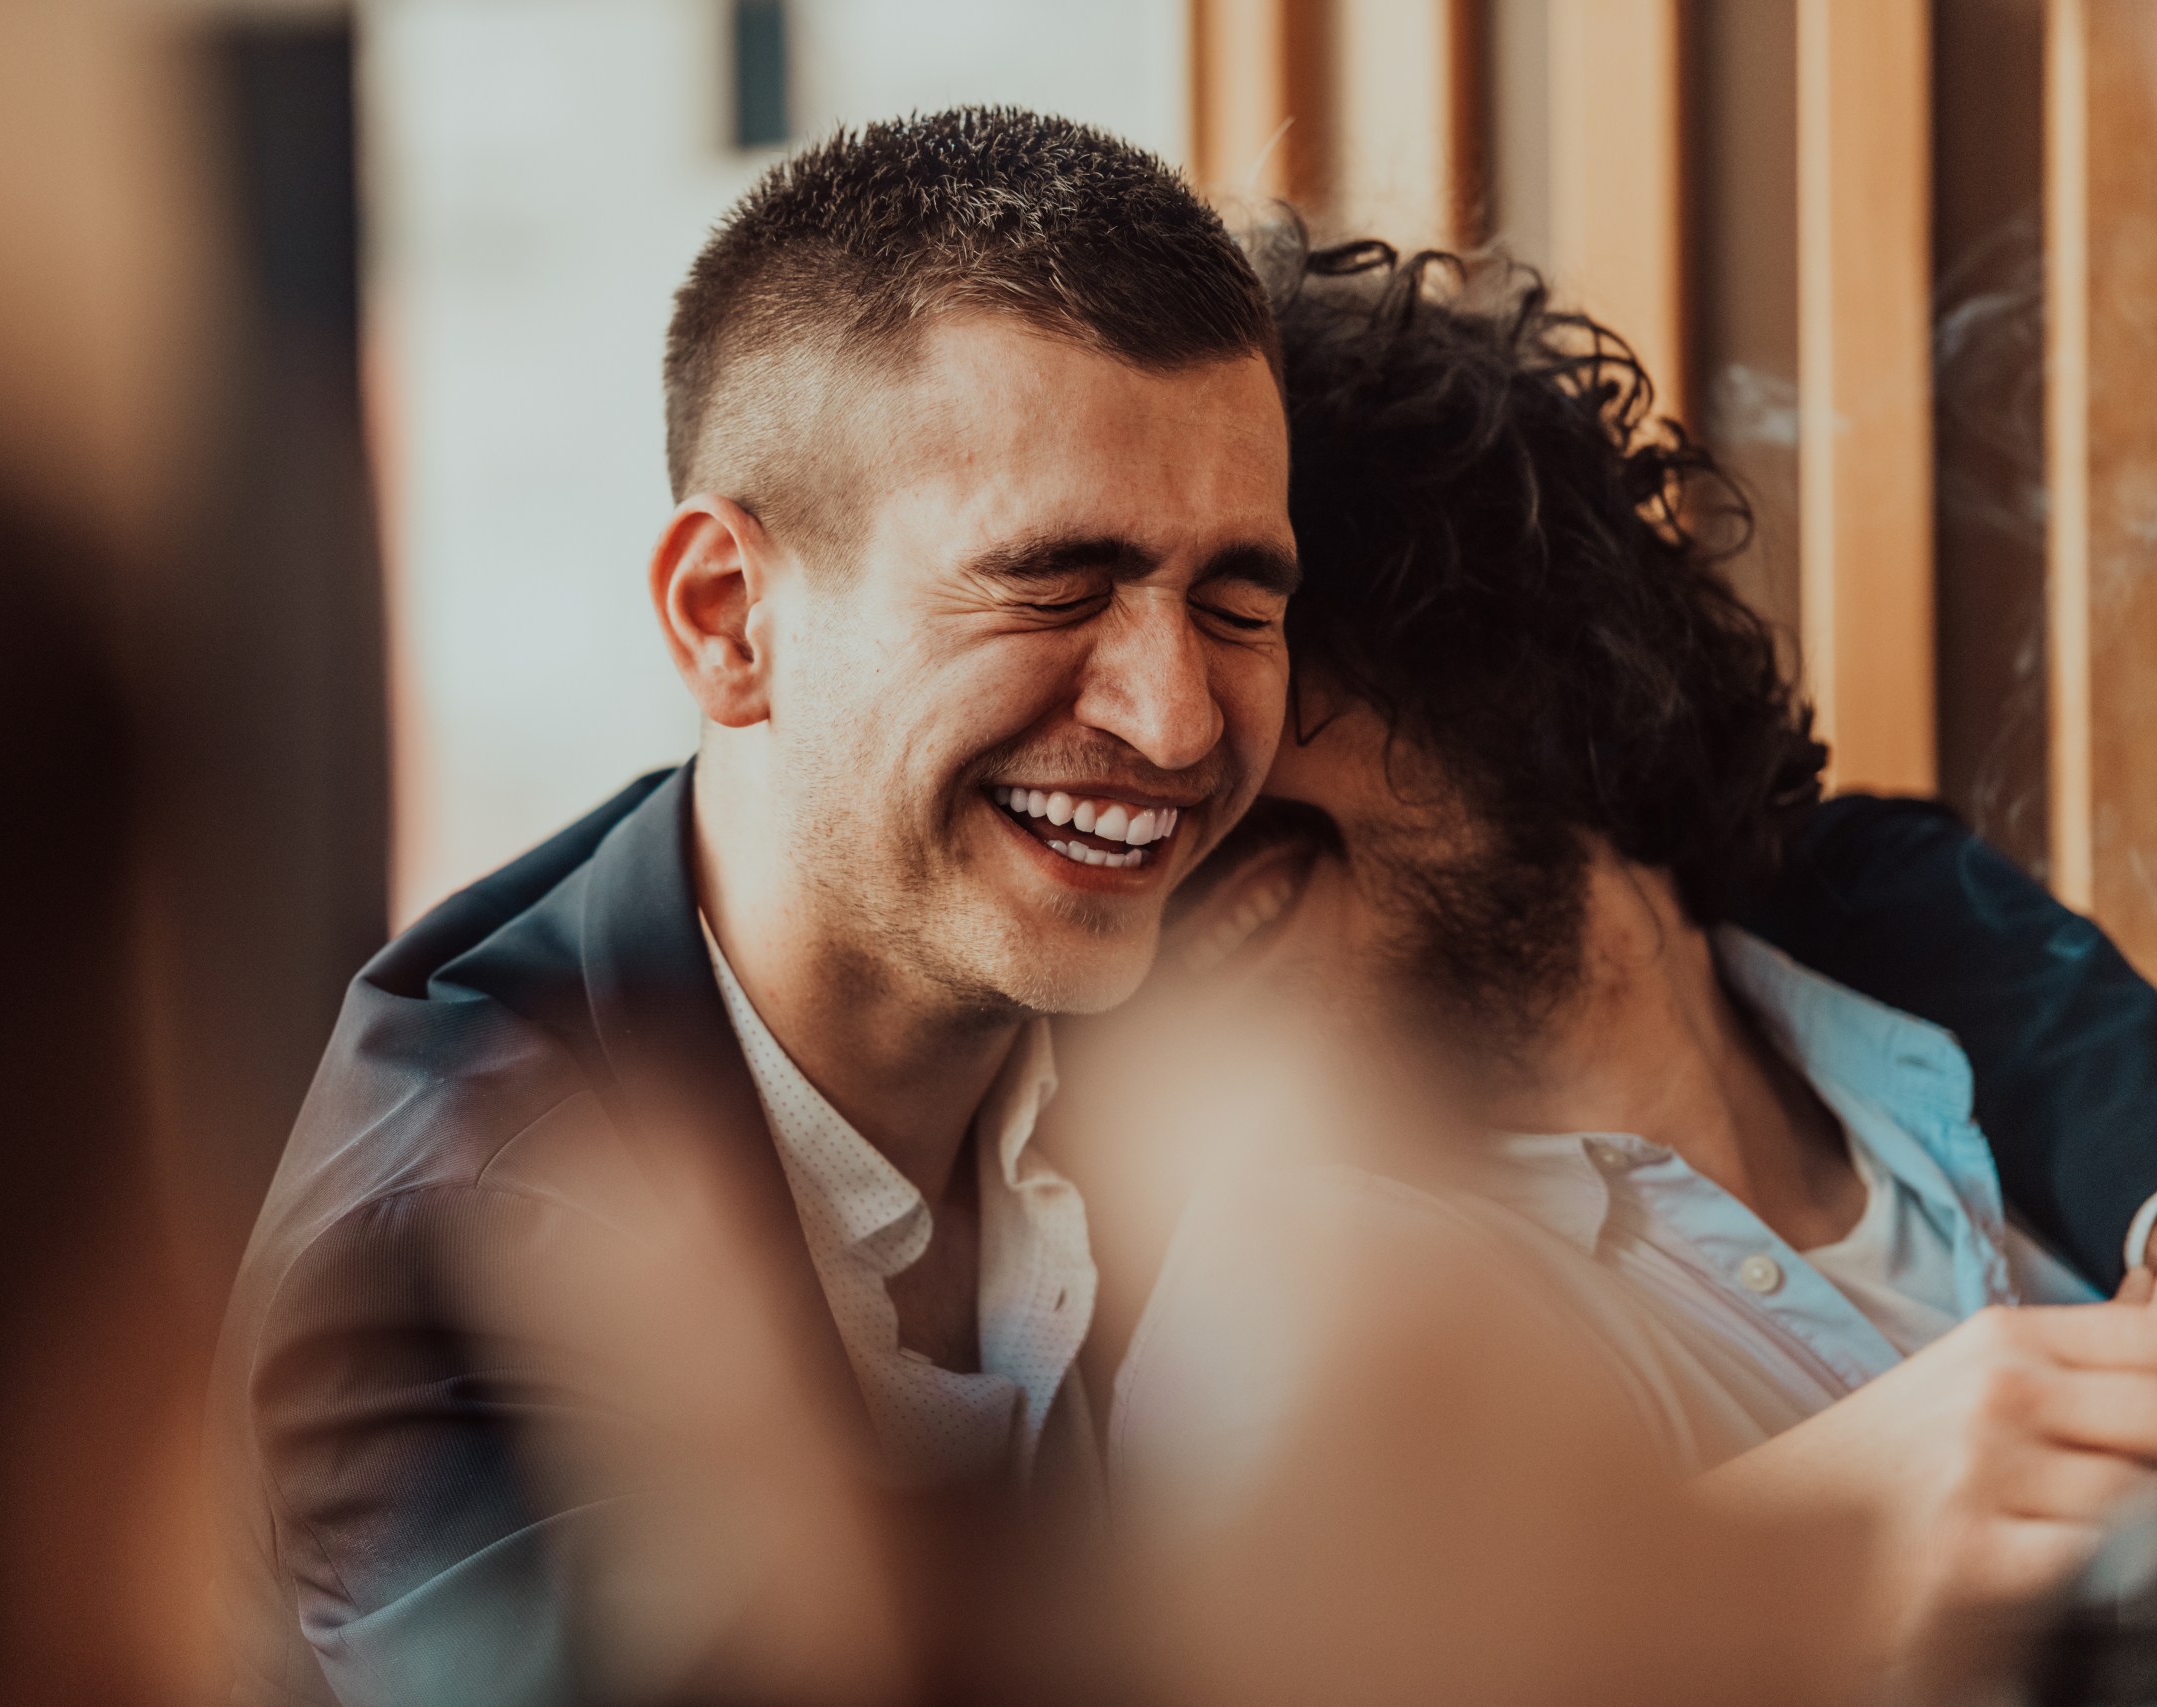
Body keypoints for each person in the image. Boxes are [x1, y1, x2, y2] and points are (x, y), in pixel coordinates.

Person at [210, 117, 2155, 1707]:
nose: (1172, 720)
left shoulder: (1084, 922)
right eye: (1049, 584)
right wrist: (1757, 1569)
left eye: (1239, 596)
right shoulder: (450, 1249)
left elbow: (1748, 860)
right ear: (730, 619)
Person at [1108, 234, 2157, 1688]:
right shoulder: (1301, 1305)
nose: (1163, 776)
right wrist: (1782, 1565)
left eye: (1248, 634)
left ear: (1488, 647)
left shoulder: (1940, 994)